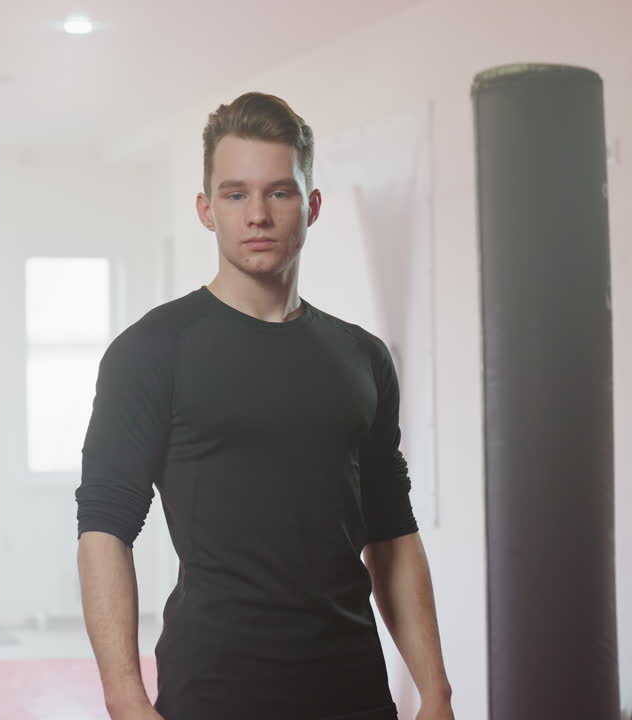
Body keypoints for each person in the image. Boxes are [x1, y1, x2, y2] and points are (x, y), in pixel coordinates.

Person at [74, 91, 454, 720]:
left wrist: (435, 689)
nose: (258, 214)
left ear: (312, 206)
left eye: (279, 192)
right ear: (206, 209)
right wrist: (124, 697)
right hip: (215, 691)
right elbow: (104, 528)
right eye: (235, 194)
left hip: (352, 688)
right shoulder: (152, 351)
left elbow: (391, 531)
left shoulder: (363, 358)